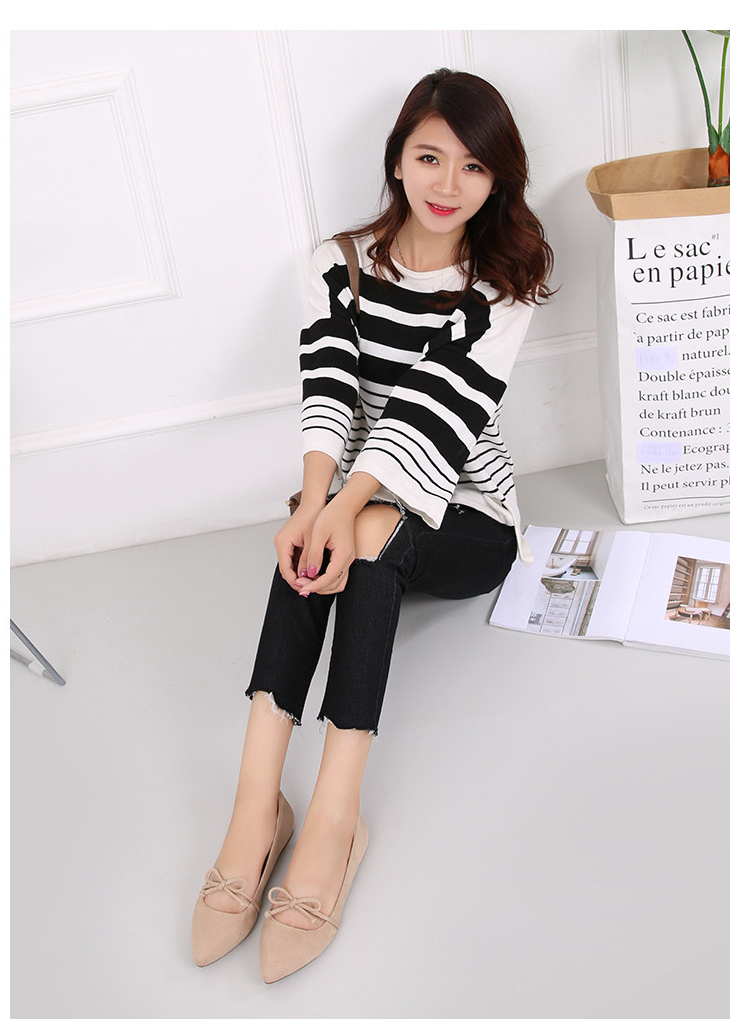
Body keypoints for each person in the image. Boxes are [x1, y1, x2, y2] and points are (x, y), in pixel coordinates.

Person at [191, 67, 553, 983]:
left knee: (356, 531)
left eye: (473, 167)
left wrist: (341, 510)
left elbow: (431, 412)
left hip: (467, 513)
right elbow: (328, 388)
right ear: (396, 159)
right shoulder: (338, 262)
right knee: (320, 526)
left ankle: (334, 820)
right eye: (429, 157)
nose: (447, 184)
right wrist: (314, 502)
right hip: (360, 494)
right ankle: (255, 806)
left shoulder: (500, 286)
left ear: (497, 180)